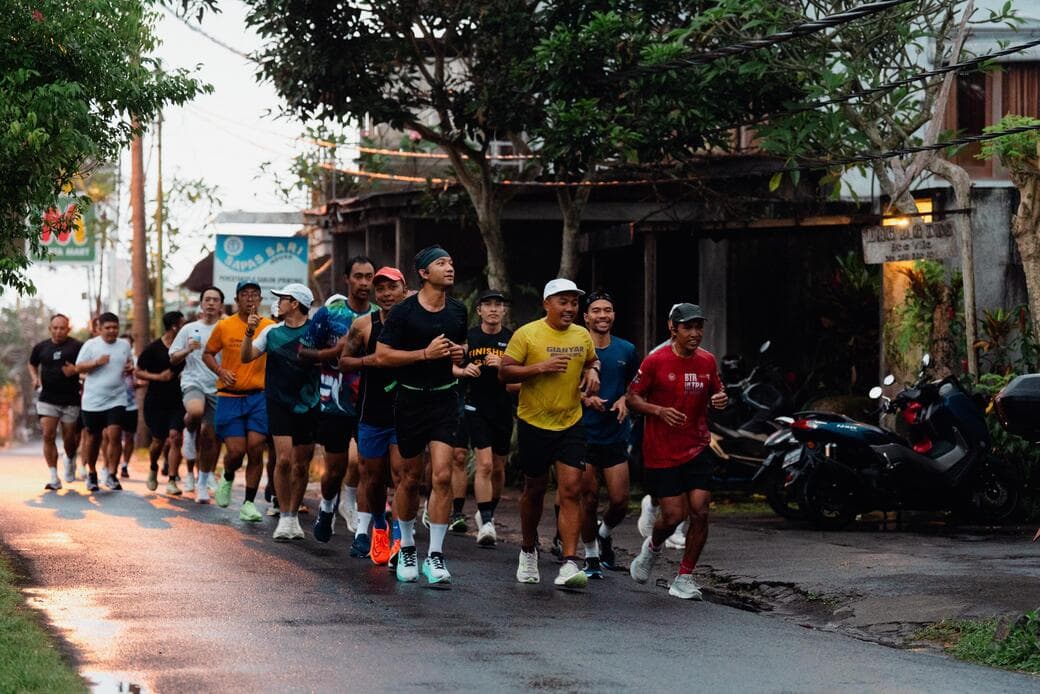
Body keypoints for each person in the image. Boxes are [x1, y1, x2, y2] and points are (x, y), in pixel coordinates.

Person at [374, 245, 467, 585]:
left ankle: (437, 556)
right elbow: (383, 356)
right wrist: (424, 354)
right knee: (409, 479)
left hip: (444, 400)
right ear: (425, 273)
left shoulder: (458, 310)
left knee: (442, 476)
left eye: (451, 261)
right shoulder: (403, 313)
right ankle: (409, 545)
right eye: (442, 263)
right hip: (410, 400)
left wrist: (459, 352)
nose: (449, 267)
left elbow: (461, 348)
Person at [500, 279, 600, 590]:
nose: (570, 308)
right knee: (535, 490)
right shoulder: (527, 334)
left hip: (571, 422)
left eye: (573, 303)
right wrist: (540, 367)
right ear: (547, 304)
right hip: (534, 422)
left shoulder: (582, 335)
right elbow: (504, 372)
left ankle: (570, 562)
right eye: (563, 302)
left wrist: (592, 370)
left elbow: (591, 358)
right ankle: (528, 550)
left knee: (571, 489)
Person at [626, 303, 728, 600]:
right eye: (688, 328)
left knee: (700, 510)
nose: (695, 333)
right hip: (661, 450)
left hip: (697, 445)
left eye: (699, 327)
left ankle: (684, 577)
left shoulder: (707, 361)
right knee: (673, 516)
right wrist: (658, 411)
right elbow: (632, 398)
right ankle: (652, 548)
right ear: (673, 328)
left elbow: (718, 393)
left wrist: (720, 400)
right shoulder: (656, 361)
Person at [338, 267, 409, 564]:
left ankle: (402, 539)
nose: (386, 294)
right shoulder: (363, 325)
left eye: (392, 288)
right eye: (380, 289)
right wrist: (373, 361)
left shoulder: (415, 324)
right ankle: (373, 527)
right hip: (371, 410)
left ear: (404, 289)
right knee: (372, 475)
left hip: (407, 409)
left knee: (402, 475)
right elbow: (344, 361)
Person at [241, 283, 320, 541]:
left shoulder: (316, 332)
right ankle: (284, 516)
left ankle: (294, 516)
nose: (279, 303)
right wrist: (249, 332)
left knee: (301, 465)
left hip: (309, 404)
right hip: (278, 403)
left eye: (283, 299)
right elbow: (246, 357)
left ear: (295, 303)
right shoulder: (271, 332)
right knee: (283, 460)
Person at [578, 291, 639, 577]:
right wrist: (584, 399)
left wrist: (625, 400)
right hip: (582, 433)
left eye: (608, 310)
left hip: (615, 433)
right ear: (586, 316)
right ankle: (590, 557)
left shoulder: (626, 349)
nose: (603, 315)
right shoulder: (575, 348)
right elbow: (557, 386)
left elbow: (636, 387)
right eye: (597, 310)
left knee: (620, 502)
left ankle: (604, 533)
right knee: (588, 499)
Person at [203, 280, 275, 521]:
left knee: (256, 449)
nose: (250, 298)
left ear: (261, 300)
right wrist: (220, 371)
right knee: (236, 451)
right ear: (236, 300)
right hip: (229, 397)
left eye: (255, 294)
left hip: (259, 397)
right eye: (245, 294)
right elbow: (207, 353)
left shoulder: (269, 327)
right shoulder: (225, 326)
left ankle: (248, 503)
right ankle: (228, 474)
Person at [457, 289, 519, 547]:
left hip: (503, 408)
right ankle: (486, 520)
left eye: (498, 305)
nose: (493, 309)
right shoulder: (468, 337)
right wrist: (463, 369)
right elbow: (450, 368)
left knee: (497, 467)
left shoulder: (514, 339)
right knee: (482, 464)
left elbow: (523, 377)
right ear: (479, 310)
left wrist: (504, 365)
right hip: (474, 406)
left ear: (504, 310)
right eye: (488, 305)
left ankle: (487, 514)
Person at [334, 257, 377, 534]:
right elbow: (308, 351)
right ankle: (335, 503)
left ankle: (355, 509)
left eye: (369, 277)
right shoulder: (332, 313)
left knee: (365, 463)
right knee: (343, 464)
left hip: (374, 397)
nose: (364, 282)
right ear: (347, 278)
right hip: (338, 399)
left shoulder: (382, 313)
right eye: (358, 276)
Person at [170, 287, 224, 503]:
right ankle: (189, 432)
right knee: (195, 410)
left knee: (210, 437)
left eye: (215, 300)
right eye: (207, 299)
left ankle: (202, 484)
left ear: (221, 304)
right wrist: (187, 350)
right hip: (193, 381)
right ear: (201, 304)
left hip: (218, 386)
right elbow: (173, 358)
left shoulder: (226, 328)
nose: (211, 303)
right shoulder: (189, 329)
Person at [74, 312, 134, 492]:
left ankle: (111, 474)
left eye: (115, 327)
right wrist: (96, 362)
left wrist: (130, 367)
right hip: (93, 400)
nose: (112, 331)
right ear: (99, 329)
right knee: (94, 438)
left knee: (115, 434)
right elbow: (78, 367)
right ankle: (92, 473)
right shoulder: (91, 345)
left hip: (117, 398)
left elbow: (129, 363)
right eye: (107, 328)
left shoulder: (124, 345)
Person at [29, 314, 83, 490]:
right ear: (50, 328)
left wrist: (75, 370)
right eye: (55, 327)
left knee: (70, 439)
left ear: (68, 329)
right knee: (48, 435)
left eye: (62, 328)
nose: (59, 331)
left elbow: (87, 366)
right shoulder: (41, 347)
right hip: (48, 398)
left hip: (70, 399)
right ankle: (53, 476)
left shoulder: (77, 346)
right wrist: (35, 378)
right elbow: (32, 364)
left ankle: (70, 458)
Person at [137, 311, 187, 496]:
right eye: (183, 324)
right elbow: (138, 372)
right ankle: (152, 468)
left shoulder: (184, 348)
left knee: (175, 437)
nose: (186, 327)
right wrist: (158, 377)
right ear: (174, 327)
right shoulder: (153, 349)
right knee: (157, 440)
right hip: (156, 401)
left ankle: (172, 480)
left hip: (177, 400)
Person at [117, 333, 141, 480]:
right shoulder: (113, 358)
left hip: (131, 404)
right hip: (114, 403)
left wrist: (136, 379)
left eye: (129, 344)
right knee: (113, 436)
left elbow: (139, 380)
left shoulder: (136, 361)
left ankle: (124, 465)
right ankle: (111, 466)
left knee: (129, 437)